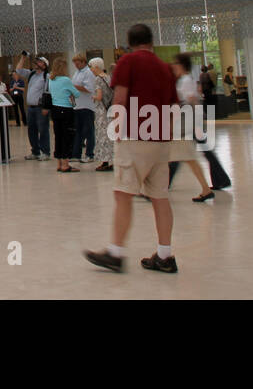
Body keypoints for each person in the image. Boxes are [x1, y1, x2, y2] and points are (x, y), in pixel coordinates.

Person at [85, 24, 179, 273]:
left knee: (123, 194)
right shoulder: (165, 68)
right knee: (160, 196)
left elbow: (120, 98)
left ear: (130, 43)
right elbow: (172, 106)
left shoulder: (128, 62)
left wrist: (116, 127)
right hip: (160, 139)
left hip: (135, 137)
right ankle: (165, 254)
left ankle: (115, 253)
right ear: (151, 41)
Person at [167, 53, 214, 201]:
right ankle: (205, 189)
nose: (173, 66)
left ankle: (206, 189)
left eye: (175, 63)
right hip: (184, 124)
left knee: (187, 158)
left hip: (183, 125)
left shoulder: (186, 80)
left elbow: (190, 101)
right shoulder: (184, 80)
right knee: (184, 158)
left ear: (181, 65)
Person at [49, 58, 82, 172]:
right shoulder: (65, 80)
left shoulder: (51, 79)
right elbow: (76, 94)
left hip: (55, 109)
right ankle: (65, 164)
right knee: (67, 136)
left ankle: (58, 163)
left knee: (58, 136)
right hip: (66, 110)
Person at [20, 53, 51, 160]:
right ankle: (35, 151)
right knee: (31, 130)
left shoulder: (46, 76)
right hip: (31, 107)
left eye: (39, 62)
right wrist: (23, 58)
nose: (37, 63)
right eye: (37, 61)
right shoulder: (32, 74)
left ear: (44, 65)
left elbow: (48, 92)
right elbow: (18, 70)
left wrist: (46, 107)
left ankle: (45, 152)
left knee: (43, 129)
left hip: (40, 107)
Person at [70, 55, 98, 162]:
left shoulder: (88, 73)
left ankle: (89, 154)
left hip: (87, 106)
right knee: (78, 131)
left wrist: (74, 87)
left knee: (88, 131)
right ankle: (76, 154)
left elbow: (89, 89)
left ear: (83, 62)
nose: (76, 65)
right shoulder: (76, 73)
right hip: (77, 106)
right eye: (75, 63)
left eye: (78, 62)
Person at [93, 63, 115, 172]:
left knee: (102, 136)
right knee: (110, 136)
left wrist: (92, 96)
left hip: (102, 111)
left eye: (91, 67)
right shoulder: (108, 77)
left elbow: (99, 96)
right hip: (110, 108)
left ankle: (105, 161)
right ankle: (114, 160)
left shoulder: (97, 79)